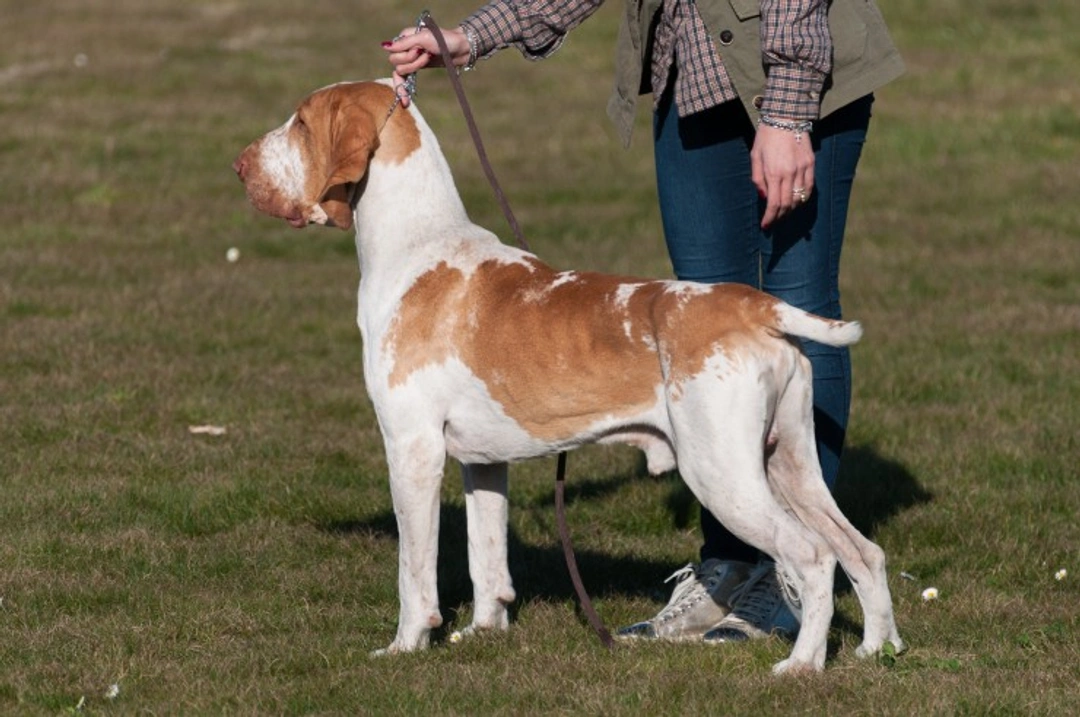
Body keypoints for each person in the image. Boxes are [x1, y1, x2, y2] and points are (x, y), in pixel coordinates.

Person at [383, 0, 903, 644]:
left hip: (805, 68)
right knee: (705, 334)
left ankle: (790, 574)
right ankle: (730, 565)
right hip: (695, 80)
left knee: (798, 306)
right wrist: (473, 38)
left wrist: (789, 113)